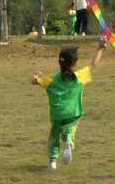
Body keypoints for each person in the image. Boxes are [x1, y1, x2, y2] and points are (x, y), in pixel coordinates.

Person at [31, 37, 106, 170]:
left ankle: (52, 161)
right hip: (73, 112)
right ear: (75, 63)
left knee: (54, 135)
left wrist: (37, 76)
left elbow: (34, 81)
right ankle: (68, 141)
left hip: (57, 114)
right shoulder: (79, 77)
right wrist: (100, 48)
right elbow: (93, 64)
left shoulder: (50, 81)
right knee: (70, 128)